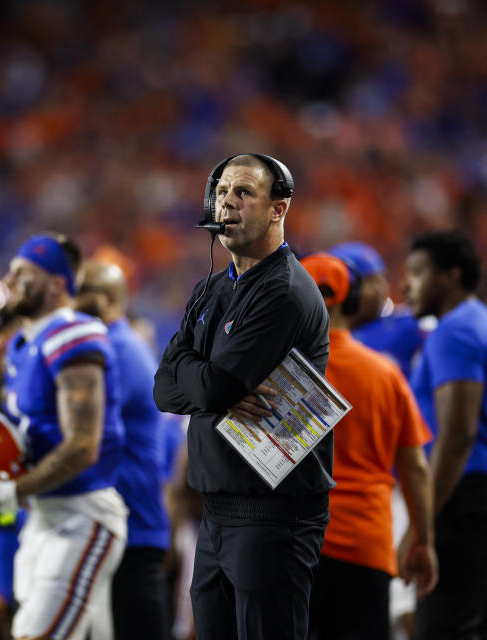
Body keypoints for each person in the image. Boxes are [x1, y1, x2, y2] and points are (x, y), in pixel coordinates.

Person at [153, 153, 331, 640]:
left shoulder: (286, 290)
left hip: (273, 513)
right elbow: (163, 389)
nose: (226, 201)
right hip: (218, 510)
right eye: (221, 190)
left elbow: (214, 386)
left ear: (279, 209)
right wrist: (205, 381)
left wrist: (202, 378)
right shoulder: (210, 288)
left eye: (243, 192)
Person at [0, 233, 128, 640]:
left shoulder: (73, 333)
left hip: (82, 513)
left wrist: (11, 493)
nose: (8, 281)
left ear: (56, 284)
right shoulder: (23, 344)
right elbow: (13, 434)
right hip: (43, 515)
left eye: (21, 273)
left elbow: (83, 447)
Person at [300, 253, 436, 640]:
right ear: (353, 301)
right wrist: (423, 540)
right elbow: (415, 468)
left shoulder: (282, 372)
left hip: (294, 546)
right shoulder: (384, 372)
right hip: (366, 545)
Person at [401, 229, 487, 639]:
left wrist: (421, 525)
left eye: (417, 273)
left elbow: (457, 435)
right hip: (481, 498)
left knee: (440, 629)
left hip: (466, 499)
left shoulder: (456, 331)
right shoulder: (477, 323)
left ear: (450, 276)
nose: (406, 284)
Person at [75, 260, 171, 640]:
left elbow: (81, 433)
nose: (72, 300)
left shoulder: (117, 349)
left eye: (83, 291)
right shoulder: (107, 347)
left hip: (132, 529)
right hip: (118, 526)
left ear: (111, 299)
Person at [327, 241, 427, 378]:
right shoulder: (320, 335)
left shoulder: (408, 324)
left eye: (381, 279)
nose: (380, 288)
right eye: (370, 281)